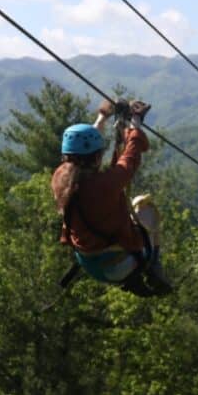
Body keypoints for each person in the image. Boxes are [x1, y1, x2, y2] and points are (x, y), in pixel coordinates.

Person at [51, 98, 172, 297]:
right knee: (146, 207)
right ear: (97, 157)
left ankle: (135, 269)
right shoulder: (105, 185)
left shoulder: (61, 178)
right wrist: (136, 123)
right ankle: (153, 265)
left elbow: (83, 146)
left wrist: (102, 117)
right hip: (117, 264)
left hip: (88, 261)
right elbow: (130, 157)